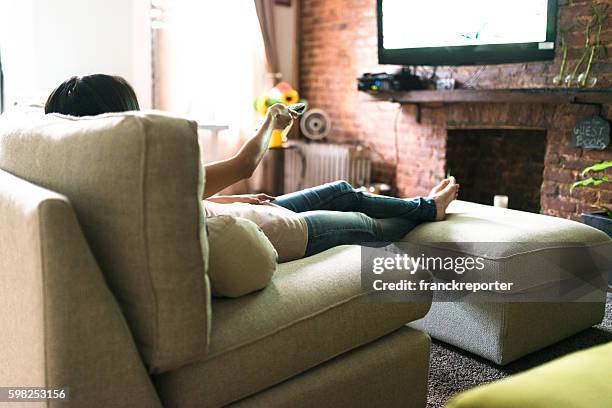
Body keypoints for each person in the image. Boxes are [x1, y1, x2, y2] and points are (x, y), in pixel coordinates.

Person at [45, 74, 460, 262]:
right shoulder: (142, 178)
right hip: (276, 234)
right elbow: (245, 163)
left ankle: (423, 206)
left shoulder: (99, 180)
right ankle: (428, 211)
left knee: (343, 189)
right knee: (366, 225)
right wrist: (272, 121)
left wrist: (233, 199)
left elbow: (185, 202)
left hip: (247, 212)